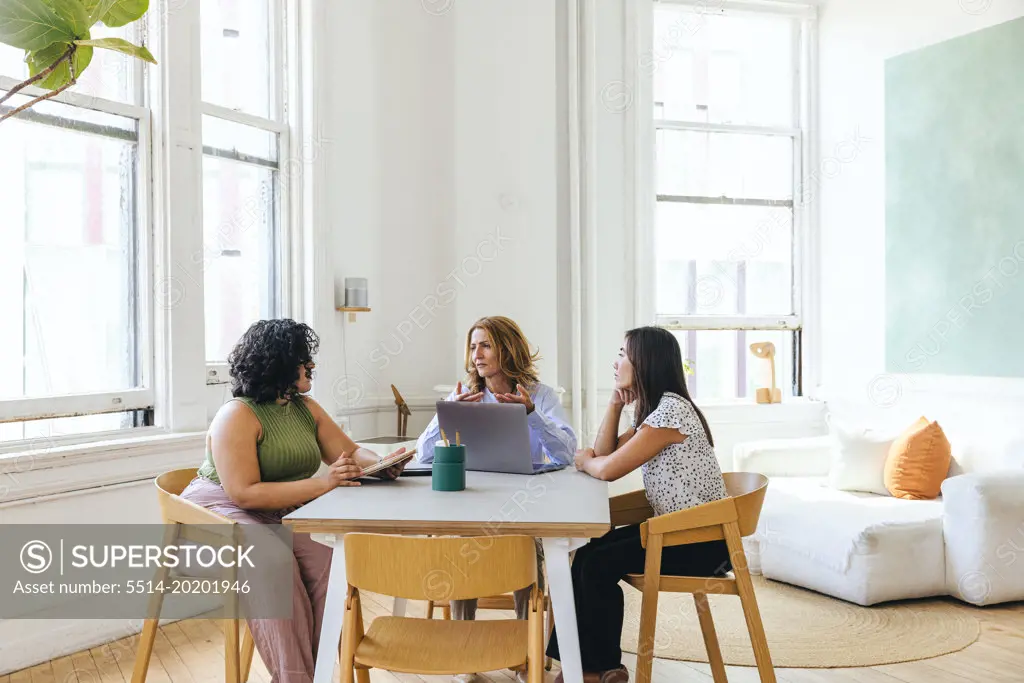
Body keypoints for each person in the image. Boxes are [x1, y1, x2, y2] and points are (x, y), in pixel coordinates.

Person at [180, 319, 408, 683]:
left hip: (277, 511)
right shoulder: (236, 415)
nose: (311, 366)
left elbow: (347, 453)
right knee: (272, 563)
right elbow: (244, 493)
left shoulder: (306, 408)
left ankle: (311, 674)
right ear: (280, 364)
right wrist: (325, 484)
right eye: (304, 360)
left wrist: (382, 465)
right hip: (219, 509)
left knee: (329, 563)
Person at [547, 326, 731, 683]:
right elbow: (604, 453)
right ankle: (586, 667)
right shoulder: (655, 412)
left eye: (621, 354)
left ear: (644, 362)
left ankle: (600, 668)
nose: (614, 362)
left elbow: (606, 468)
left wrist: (585, 461)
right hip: (678, 534)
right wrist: (615, 402)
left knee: (598, 561)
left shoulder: (670, 414)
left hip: (702, 543)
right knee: (588, 552)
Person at [415, 315, 576, 683]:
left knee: (524, 550)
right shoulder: (467, 397)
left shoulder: (541, 396)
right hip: (473, 503)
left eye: (485, 345)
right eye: (473, 347)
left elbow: (566, 453)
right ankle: (465, 653)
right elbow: (424, 455)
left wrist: (531, 415)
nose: (477, 355)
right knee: (463, 551)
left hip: (526, 504)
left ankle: (525, 654)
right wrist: (449, 411)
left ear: (508, 348)